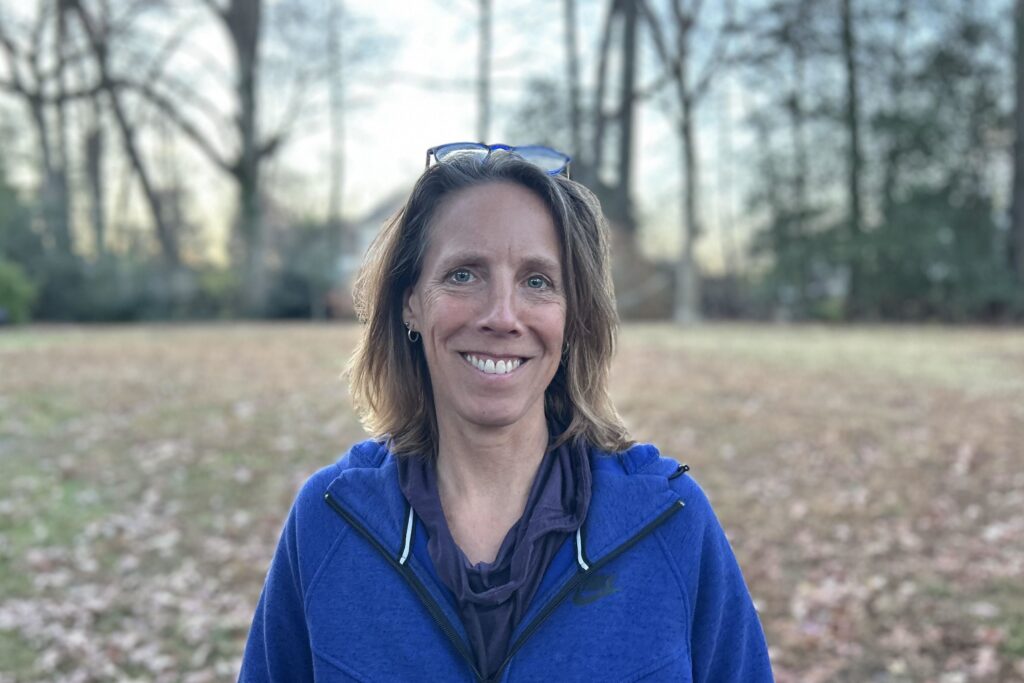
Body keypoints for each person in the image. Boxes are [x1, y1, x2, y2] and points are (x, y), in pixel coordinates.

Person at [239, 143, 773, 682]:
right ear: (410, 302)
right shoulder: (330, 521)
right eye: (464, 274)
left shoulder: (670, 520)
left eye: (537, 281)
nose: (502, 316)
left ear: (572, 319)